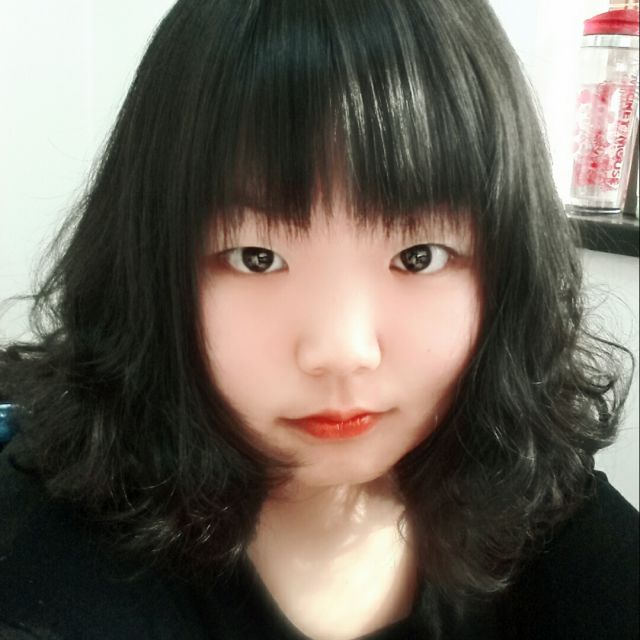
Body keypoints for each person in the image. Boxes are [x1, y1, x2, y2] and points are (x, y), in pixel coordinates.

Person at [0, 0, 638, 638]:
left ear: (507, 270)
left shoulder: (537, 495)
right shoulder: (51, 553)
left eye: (419, 256)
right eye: (255, 257)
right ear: (149, 266)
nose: (341, 350)